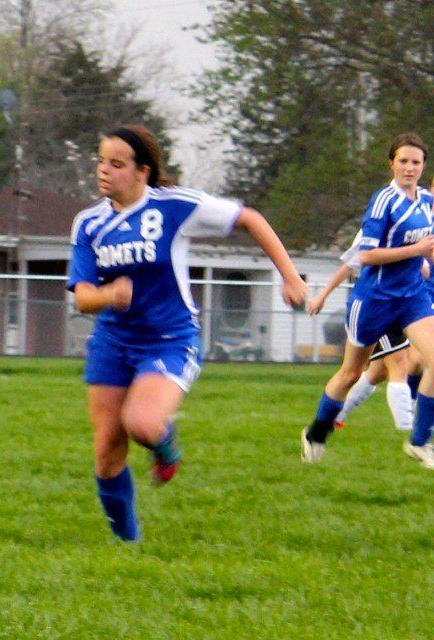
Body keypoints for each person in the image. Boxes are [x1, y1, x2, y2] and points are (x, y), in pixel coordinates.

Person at [68, 125, 308, 542]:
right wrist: (110, 294)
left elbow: (249, 218)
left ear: (142, 172)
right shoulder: (89, 224)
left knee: (141, 424)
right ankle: (128, 544)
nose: (104, 171)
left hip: (170, 339)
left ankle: (165, 442)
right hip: (112, 342)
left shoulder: (176, 207)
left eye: (116, 164)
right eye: (101, 161)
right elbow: (83, 298)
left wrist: (290, 277)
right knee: (107, 451)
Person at [301, 133, 434, 469]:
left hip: (411, 299)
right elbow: (367, 255)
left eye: (416, 162)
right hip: (374, 300)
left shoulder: (426, 203)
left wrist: (419, 262)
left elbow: (421, 242)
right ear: (392, 163)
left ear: (423, 166)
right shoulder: (383, 200)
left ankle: (418, 442)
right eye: (403, 161)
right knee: (351, 373)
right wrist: (415, 252)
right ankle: (316, 431)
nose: (409, 167)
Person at [306, 231, 418, 432]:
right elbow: (351, 264)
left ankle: (337, 413)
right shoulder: (380, 221)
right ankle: (412, 435)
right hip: (376, 304)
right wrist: (322, 295)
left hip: (404, 302)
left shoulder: (421, 218)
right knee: (399, 363)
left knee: (377, 373)